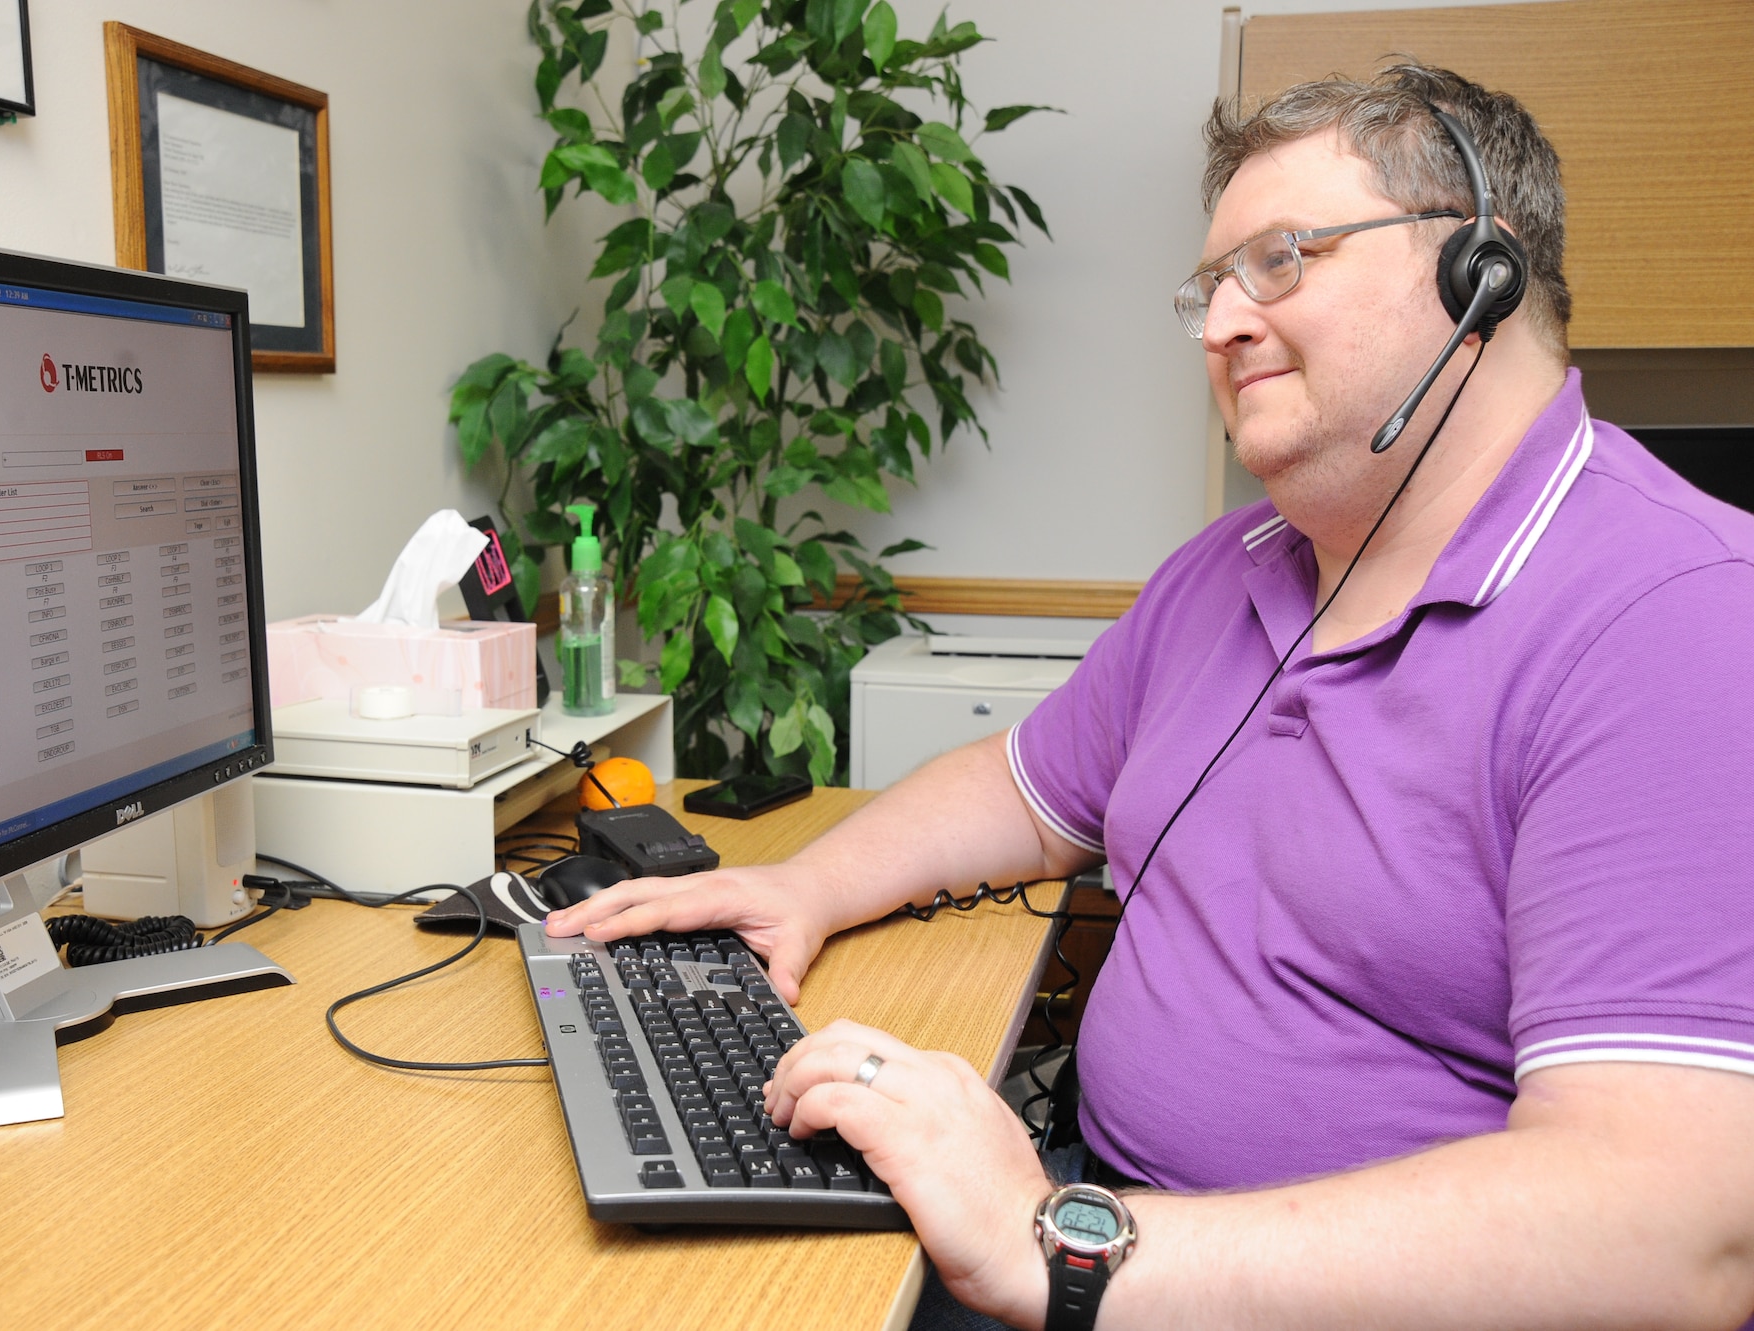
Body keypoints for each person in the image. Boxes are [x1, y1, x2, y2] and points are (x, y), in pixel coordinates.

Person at [547, 64, 1754, 1331]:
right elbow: (1022, 783)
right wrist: (807, 884)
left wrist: (1068, 1252)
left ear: (1479, 272)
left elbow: (1675, 1231)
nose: (1218, 323)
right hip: (1099, 1216)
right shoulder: (1229, 568)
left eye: (1281, 258)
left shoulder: (1676, 615)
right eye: (1210, 283)